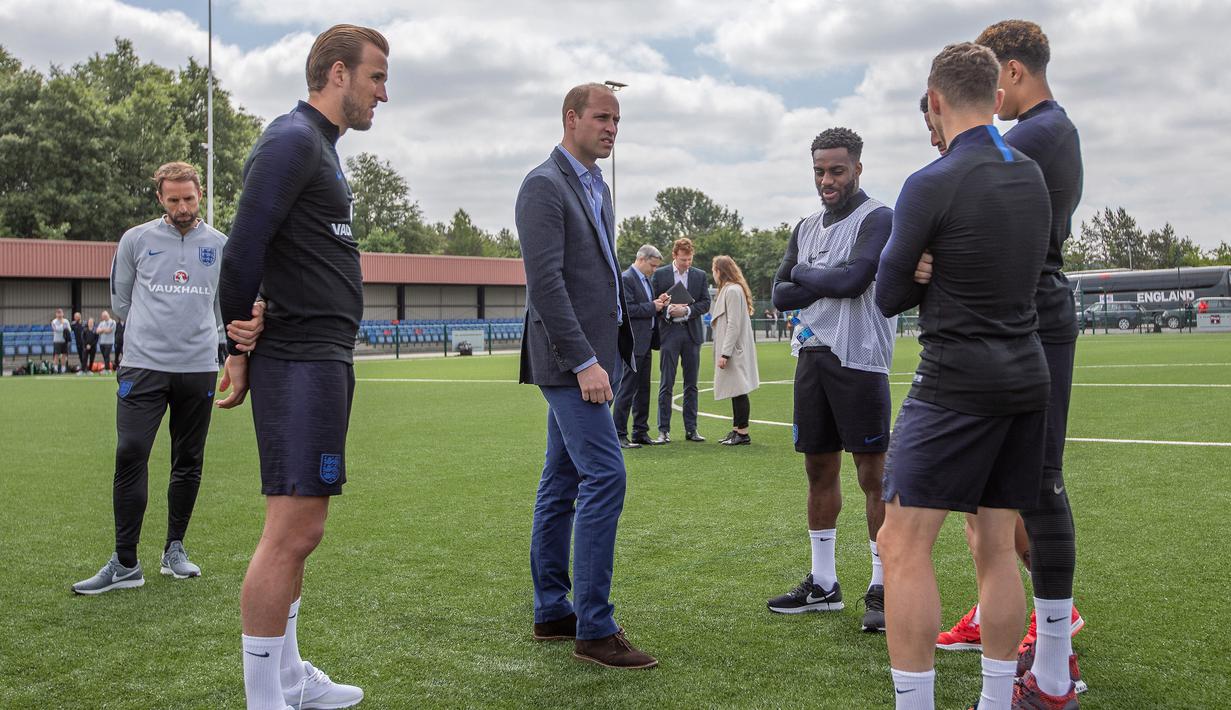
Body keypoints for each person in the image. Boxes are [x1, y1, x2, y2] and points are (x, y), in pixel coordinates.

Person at [874, 42, 1052, 710]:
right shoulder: (1030, 171)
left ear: (936, 100)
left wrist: (920, 267)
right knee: (995, 544)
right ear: (996, 95)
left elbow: (888, 294)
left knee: (901, 543)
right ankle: (995, 699)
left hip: (955, 382)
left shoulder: (931, 180)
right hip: (1023, 377)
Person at [216, 24, 388, 710]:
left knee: (304, 531)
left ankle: (289, 679)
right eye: (376, 77)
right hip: (296, 358)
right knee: (290, 531)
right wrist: (235, 342)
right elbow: (242, 247)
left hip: (319, 356)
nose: (383, 92)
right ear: (338, 74)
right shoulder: (291, 139)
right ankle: (266, 698)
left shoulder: (320, 148)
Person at [922, 21, 1087, 706]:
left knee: (1037, 487)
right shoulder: (1049, 133)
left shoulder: (1030, 137)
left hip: (1029, 320)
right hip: (1023, 317)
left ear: (1011, 74)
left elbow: (961, 200)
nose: (986, 101)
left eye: (992, 83)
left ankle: (1052, 664)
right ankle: (1033, 632)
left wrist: (924, 250)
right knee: (1007, 491)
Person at [515, 82, 656, 670]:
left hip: (593, 355)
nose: (612, 128)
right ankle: (594, 628)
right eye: (602, 117)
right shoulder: (544, 186)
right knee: (607, 475)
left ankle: (552, 610)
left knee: (562, 480)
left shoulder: (595, 185)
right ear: (570, 119)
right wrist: (583, 361)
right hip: (570, 361)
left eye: (617, 119)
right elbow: (546, 285)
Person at [71, 161, 251, 597]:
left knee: (188, 460)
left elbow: (225, 307)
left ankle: (174, 550)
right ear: (160, 198)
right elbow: (121, 301)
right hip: (143, 366)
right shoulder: (136, 240)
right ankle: (126, 562)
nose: (183, 207)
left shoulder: (221, 245)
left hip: (199, 367)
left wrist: (218, 348)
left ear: (200, 194)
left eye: (189, 198)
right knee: (130, 450)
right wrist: (156, 333)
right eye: (173, 200)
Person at [767, 127, 896, 633]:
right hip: (811, 356)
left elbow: (854, 281)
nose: (827, 179)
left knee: (872, 475)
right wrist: (815, 278)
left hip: (860, 357)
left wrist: (804, 276)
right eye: (819, 170)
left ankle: (883, 587)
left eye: (837, 170)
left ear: (857, 168)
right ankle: (824, 584)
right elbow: (778, 296)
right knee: (818, 471)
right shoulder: (805, 226)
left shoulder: (878, 217)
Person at [651, 237, 711, 443]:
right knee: (666, 383)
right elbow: (654, 304)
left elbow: (705, 303)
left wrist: (686, 310)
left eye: (690, 259)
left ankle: (691, 429)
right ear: (675, 256)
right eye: (684, 259)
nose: (688, 263)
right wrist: (668, 310)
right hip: (669, 333)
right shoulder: (660, 274)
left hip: (692, 334)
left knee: (691, 384)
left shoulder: (700, 275)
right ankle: (663, 430)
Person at [612, 244, 669, 449]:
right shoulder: (627, 278)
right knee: (627, 389)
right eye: (652, 265)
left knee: (643, 389)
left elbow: (645, 307)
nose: (654, 270)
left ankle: (640, 431)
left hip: (645, 342)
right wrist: (652, 306)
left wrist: (658, 303)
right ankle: (619, 433)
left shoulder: (646, 280)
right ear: (642, 259)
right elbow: (628, 310)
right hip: (633, 343)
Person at [710, 256, 759, 446]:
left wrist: (725, 353)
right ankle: (737, 429)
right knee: (735, 389)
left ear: (720, 271)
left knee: (739, 390)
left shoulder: (731, 290)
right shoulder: (731, 289)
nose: (713, 273)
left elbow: (733, 324)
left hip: (734, 350)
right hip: (733, 349)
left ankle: (743, 432)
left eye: (714, 269)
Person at [51, 308, 71, 373]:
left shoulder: (66, 321)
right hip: (57, 341)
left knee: (64, 355)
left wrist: (63, 327)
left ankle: (63, 368)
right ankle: (55, 368)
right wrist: (63, 325)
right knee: (56, 355)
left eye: (61, 313)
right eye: (58, 313)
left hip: (64, 341)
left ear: (63, 314)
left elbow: (69, 330)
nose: (59, 315)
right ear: (56, 314)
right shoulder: (53, 321)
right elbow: (56, 329)